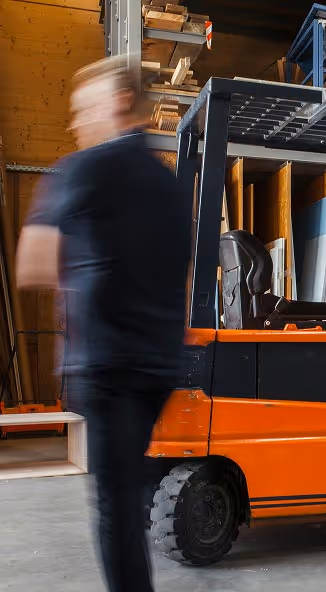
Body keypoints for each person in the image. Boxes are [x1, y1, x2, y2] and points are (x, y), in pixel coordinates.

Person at [16, 55, 192, 592]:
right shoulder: (171, 189)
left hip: (109, 364)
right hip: (159, 364)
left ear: (118, 101)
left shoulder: (84, 169)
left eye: (82, 108)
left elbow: (33, 265)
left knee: (115, 508)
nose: (75, 123)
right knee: (128, 489)